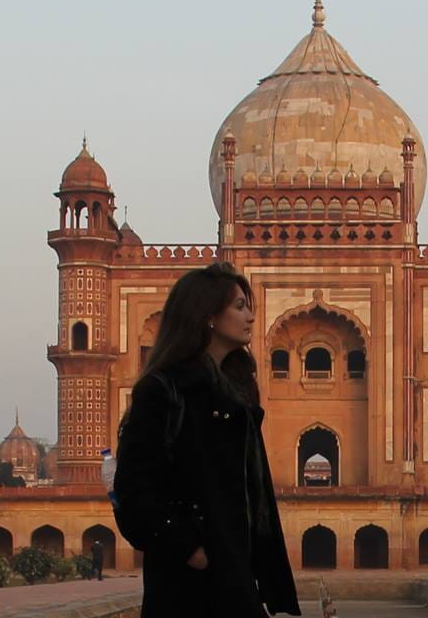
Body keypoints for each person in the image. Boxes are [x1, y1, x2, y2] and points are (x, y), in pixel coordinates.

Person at [114, 263, 300, 618]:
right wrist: (189, 549)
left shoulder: (238, 396)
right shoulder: (164, 390)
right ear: (208, 315)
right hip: (188, 579)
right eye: (240, 307)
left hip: (233, 565)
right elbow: (133, 490)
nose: (250, 318)